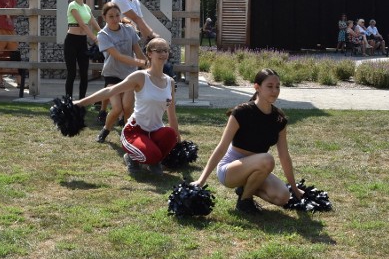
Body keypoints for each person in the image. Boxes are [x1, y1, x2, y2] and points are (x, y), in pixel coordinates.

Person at [191, 68, 303, 215]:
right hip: (230, 170)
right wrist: (201, 180)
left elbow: (284, 156)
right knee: (267, 159)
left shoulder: (279, 119)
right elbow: (222, 147)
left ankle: (245, 189)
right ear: (257, 87)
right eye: (269, 86)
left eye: (277, 87)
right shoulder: (241, 112)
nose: (274, 91)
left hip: (257, 167)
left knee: (283, 197)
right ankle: (245, 201)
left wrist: (294, 188)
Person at [74, 37, 179, 175]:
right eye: (158, 50)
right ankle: (131, 157)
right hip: (135, 131)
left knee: (171, 135)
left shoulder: (169, 81)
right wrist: (80, 103)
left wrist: (178, 144)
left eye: (165, 50)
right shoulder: (140, 77)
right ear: (149, 54)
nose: (163, 54)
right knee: (152, 155)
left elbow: (172, 115)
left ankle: (153, 159)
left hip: (155, 131)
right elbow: (110, 91)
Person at [91, 1, 147, 143]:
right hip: (112, 75)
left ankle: (127, 135)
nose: (115, 19)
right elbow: (118, 56)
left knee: (128, 107)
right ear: (104, 18)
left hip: (130, 75)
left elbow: (138, 51)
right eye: (111, 16)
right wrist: (141, 63)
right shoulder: (103, 35)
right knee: (117, 109)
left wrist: (149, 67)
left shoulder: (129, 30)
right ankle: (105, 130)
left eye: (117, 15)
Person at [64, 0, 100, 100]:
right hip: (71, 41)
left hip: (82, 41)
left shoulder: (87, 8)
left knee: (84, 73)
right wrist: (95, 39)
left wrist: (103, 35)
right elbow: (83, 25)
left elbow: (94, 24)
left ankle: (82, 101)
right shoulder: (72, 5)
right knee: (72, 73)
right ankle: (68, 101)